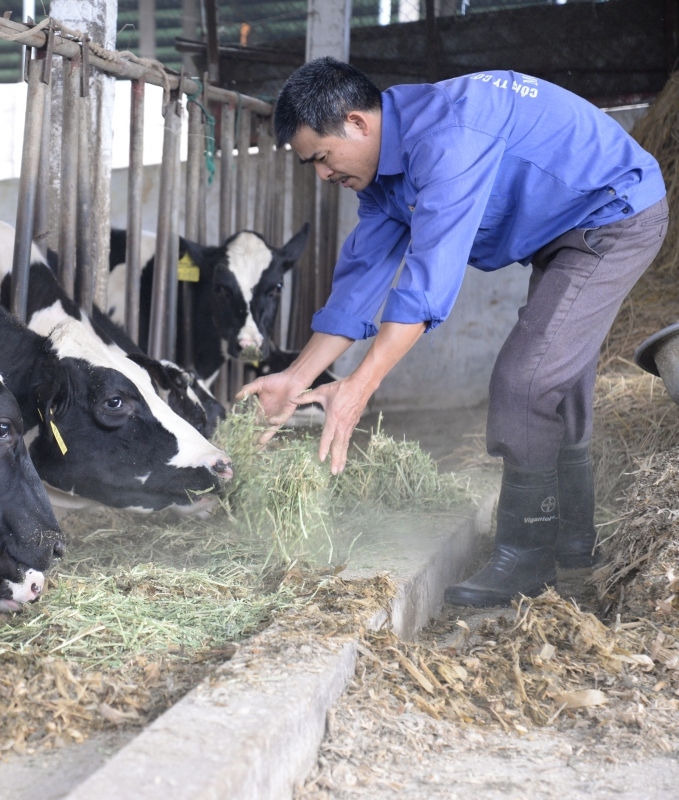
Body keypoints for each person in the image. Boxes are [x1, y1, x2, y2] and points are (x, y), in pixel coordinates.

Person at [238, 57, 668, 607]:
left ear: (358, 123)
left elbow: (425, 284)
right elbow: (360, 283)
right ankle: (575, 542)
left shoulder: (447, 136)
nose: (322, 175)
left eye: (321, 157)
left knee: (525, 380)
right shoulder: (379, 176)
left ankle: (527, 558)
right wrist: (297, 379)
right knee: (555, 371)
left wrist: (358, 389)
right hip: (561, 226)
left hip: (614, 212)